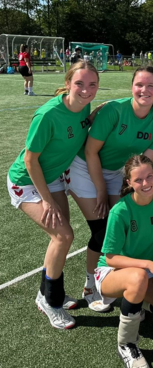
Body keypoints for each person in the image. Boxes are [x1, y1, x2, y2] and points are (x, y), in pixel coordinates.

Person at [7, 61, 100, 329]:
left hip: (52, 178)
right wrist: (46, 199)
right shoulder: (47, 115)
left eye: (92, 84)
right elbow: (29, 160)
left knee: (61, 236)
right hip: (26, 182)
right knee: (63, 235)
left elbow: (81, 128)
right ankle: (52, 302)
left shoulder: (85, 107)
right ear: (69, 82)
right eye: (80, 83)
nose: (86, 90)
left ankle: (46, 293)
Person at [67, 66, 153, 312]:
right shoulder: (114, 111)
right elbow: (91, 152)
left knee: (121, 222)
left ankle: (121, 280)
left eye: (151, 85)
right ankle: (91, 285)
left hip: (118, 173)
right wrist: (101, 189)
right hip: (85, 167)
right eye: (139, 85)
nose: (144, 90)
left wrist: (138, 189)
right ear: (131, 87)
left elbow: (146, 163)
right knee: (102, 230)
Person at [95, 154, 153, 368]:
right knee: (138, 276)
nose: (145, 183)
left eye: (149, 177)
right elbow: (111, 258)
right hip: (110, 273)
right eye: (138, 180)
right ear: (129, 183)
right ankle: (126, 344)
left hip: (143, 271)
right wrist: (150, 265)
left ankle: (136, 301)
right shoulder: (120, 211)